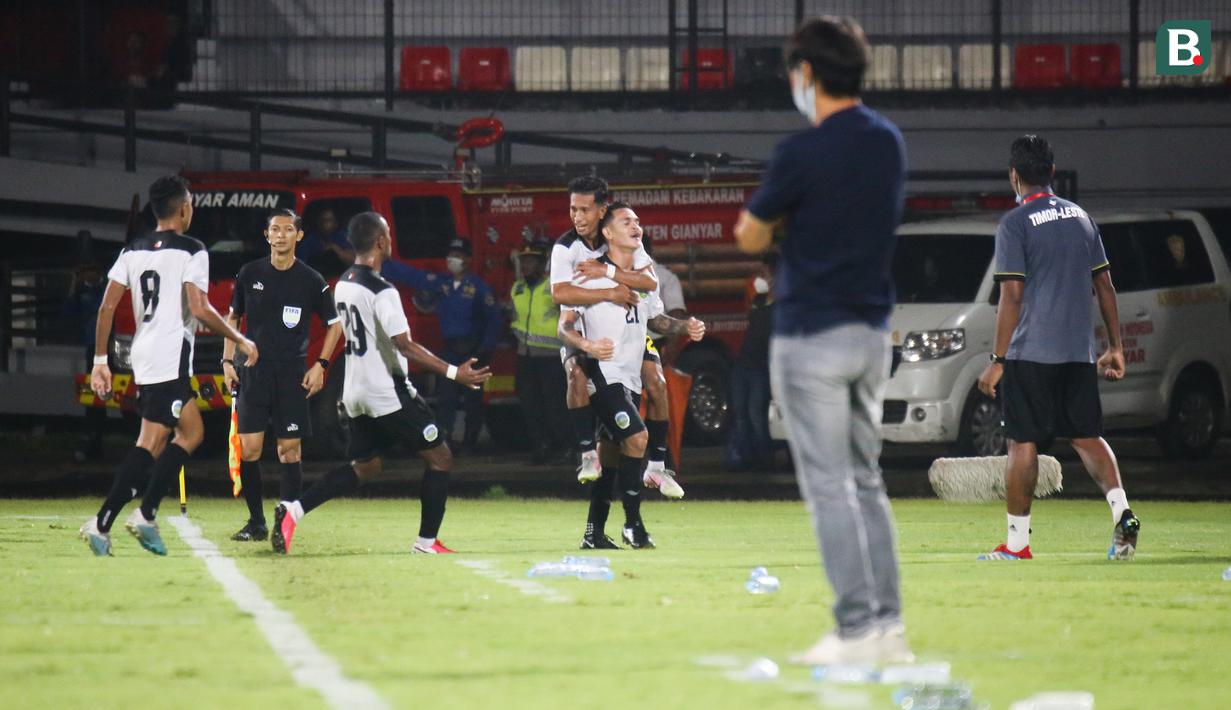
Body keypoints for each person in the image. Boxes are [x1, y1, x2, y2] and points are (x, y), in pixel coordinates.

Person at [734, 17, 912, 665]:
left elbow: (749, 237)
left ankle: (854, 628)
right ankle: (887, 629)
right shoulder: (887, 142)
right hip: (870, 331)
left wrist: (780, 219)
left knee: (830, 486)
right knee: (866, 480)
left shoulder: (799, 152)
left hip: (811, 331)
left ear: (806, 73)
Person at [271, 212, 490, 555]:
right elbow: (404, 344)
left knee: (366, 465)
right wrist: (453, 373)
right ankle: (426, 543)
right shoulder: (382, 290)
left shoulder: (344, 281)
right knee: (440, 457)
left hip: (356, 391)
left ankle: (293, 511)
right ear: (381, 242)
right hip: (386, 390)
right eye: (387, 234)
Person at [975, 135, 1140, 562]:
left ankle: (1016, 545)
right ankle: (1122, 511)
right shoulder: (1081, 217)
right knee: (1087, 436)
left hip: (1032, 352)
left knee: (1022, 443)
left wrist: (998, 360)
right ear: (1051, 172)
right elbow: (1105, 285)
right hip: (1079, 352)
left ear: (1015, 176)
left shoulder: (1015, 223)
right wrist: (1116, 347)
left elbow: (1012, 295)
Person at [79, 175, 258, 556]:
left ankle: (126, 517)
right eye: (190, 203)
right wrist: (240, 339)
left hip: (146, 354)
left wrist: (100, 361)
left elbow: (107, 306)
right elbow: (200, 308)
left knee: (186, 432)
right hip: (168, 356)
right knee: (158, 441)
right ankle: (118, 518)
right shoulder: (192, 250)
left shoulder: (133, 249)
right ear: (182, 208)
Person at [558, 203, 705, 550]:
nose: (637, 226)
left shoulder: (642, 276)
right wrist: (586, 347)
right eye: (627, 222)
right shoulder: (587, 272)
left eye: (638, 221)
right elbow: (564, 325)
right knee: (635, 438)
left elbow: (656, 321)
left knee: (612, 452)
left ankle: (595, 532)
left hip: (628, 373)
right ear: (607, 233)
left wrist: (685, 327)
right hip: (603, 372)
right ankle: (635, 522)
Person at [550, 177, 682, 499]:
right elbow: (560, 293)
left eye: (584, 209)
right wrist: (611, 292)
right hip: (583, 334)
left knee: (657, 380)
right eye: (572, 209)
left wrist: (609, 273)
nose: (577, 217)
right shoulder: (567, 247)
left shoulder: (625, 244)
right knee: (576, 373)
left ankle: (657, 465)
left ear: (602, 210)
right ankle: (586, 453)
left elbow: (649, 282)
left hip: (626, 340)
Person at [221, 208, 345, 542]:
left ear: (299, 236)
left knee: (289, 449)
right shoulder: (249, 273)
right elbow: (232, 319)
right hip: (253, 372)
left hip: (292, 374)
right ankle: (257, 522)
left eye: (288, 229)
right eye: (274, 229)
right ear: (266, 235)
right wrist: (227, 361)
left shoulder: (311, 280)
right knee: (249, 449)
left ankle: (284, 523)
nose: (280, 235)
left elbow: (334, 327)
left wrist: (321, 365)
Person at [382, 237, 502, 453]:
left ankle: (470, 443)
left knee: (473, 399)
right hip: (449, 349)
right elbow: (412, 276)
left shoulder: (478, 287)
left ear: (467, 259)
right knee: (446, 397)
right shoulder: (442, 284)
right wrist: (384, 262)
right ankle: (444, 440)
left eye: (457, 256)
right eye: (451, 255)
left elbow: (494, 319)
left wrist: (486, 348)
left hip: (472, 350)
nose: (452, 259)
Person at [510, 238, 570, 464]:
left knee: (555, 406)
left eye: (531, 261)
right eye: (523, 261)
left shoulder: (553, 288)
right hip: (524, 356)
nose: (525, 265)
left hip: (551, 357)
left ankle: (566, 446)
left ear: (542, 263)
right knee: (531, 406)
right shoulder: (517, 288)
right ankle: (541, 447)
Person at [639, 234, 687, 493]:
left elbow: (672, 316)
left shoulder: (659, 277)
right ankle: (655, 463)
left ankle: (658, 463)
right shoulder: (658, 275)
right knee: (656, 404)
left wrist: (670, 348)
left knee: (654, 402)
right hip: (647, 344)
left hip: (652, 346)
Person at [727, 252, 777, 471]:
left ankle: (765, 459)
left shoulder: (783, 304)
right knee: (740, 412)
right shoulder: (758, 300)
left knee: (757, 412)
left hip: (762, 366)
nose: (762, 277)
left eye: (766, 272)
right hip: (744, 363)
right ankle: (746, 459)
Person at [65, 244, 108, 462]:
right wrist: (74, 284)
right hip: (92, 348)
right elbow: (69, 314)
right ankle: (94, 442)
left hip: (110, 347)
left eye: (88, 269)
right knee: (93, 397)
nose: (84, 274)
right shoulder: (82, 292)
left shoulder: (106, 290)